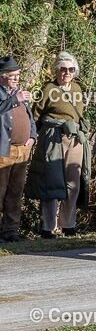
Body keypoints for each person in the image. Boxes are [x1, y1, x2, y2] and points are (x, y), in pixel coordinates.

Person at [28, 52, 90, 237]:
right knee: (51, 182)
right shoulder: (48, 88)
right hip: (53, 137)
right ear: (57, 70)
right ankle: (48, 227)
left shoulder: (78, 89)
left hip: (75, 138)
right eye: (63, 69)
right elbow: (36, 114)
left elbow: (79, 113)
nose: (67, 73)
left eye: (71, 69)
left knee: (74, 182)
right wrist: (34, 137)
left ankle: (68, 224)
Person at [0, 56, 36, 242]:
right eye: (12, 75)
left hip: (22, 150)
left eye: (18, 75)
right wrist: (16, 99)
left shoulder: (18, 92)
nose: (16, 79)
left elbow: (30, 118)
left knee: (15, 192)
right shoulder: (6, 94)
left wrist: (32, 136)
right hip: (3, 150)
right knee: (0, 191)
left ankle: (11, 231)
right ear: (2, 76)